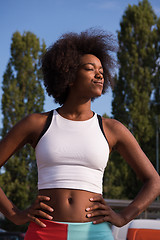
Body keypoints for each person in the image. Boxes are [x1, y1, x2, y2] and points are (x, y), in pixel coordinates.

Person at [0, 29, 160, 240]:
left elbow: (154, 181)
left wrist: (123, 217)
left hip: (94, 233)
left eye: (102, 70)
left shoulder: (112, 129)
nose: (100, 74)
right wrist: (14, 214)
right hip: (44, 232)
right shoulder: (37, 124)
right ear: (69, 75)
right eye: (89, 68)